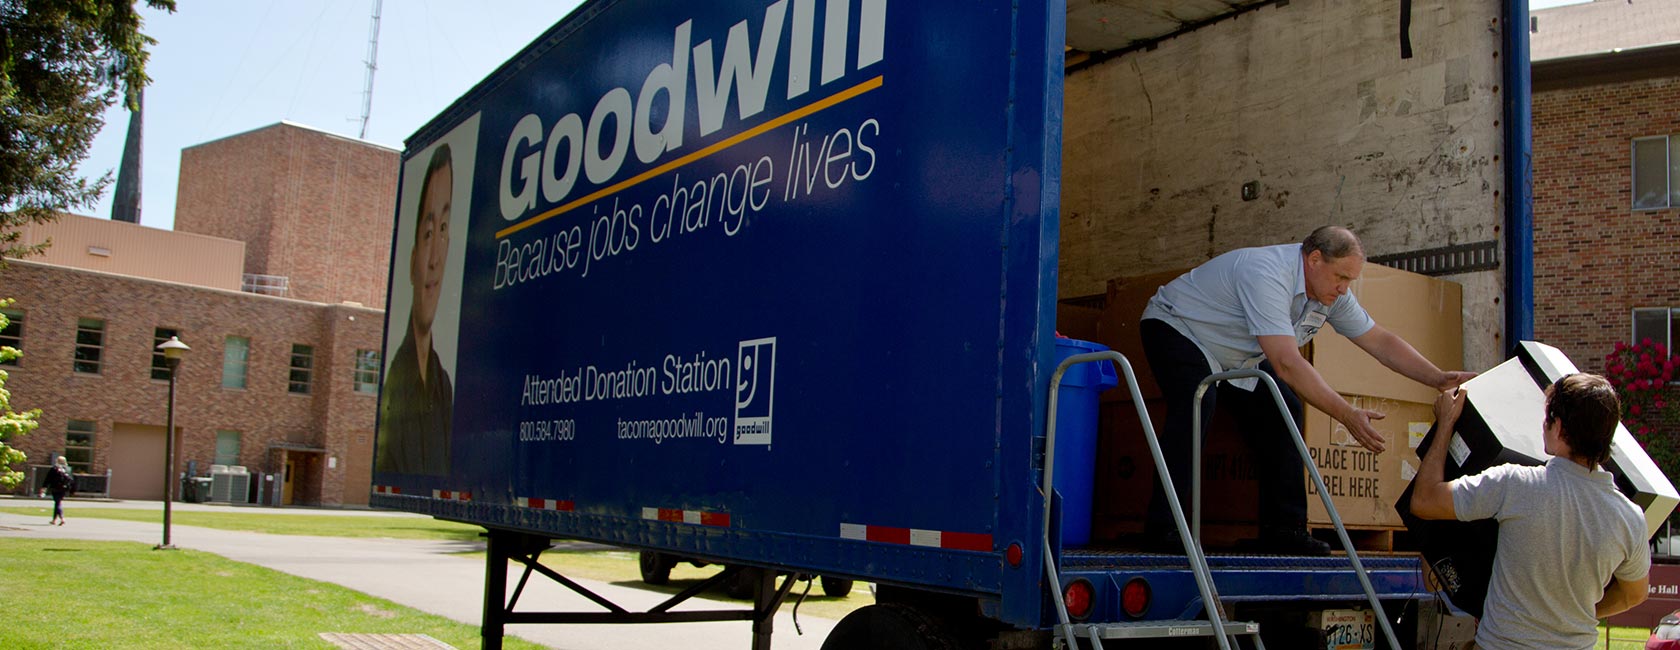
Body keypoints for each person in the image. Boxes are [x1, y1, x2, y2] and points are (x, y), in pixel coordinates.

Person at [1139, 226, 1476, 555]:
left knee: (1284, 409)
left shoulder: (1330, 294)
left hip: (1235, 351)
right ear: (1314, 259)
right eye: (1341, 278)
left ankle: (1284, 530)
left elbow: (1380, 341)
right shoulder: (1268, 274)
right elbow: (1286, 362)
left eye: (1350, 281)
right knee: (1198, 402)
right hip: (1178, 327)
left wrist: (1436, 377)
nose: (1344, 289)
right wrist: (1346, 414)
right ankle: (1164, 527)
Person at [1411, 376, 1649, 648]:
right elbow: (1634, 595)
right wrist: (1567, 617)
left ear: (1558, 428)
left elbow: (1424, 501)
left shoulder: (1517, 484)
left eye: (1547, 418)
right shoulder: (1629, 517)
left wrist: (1445, 422)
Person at [375, 144, 456, 476]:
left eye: (443, 229)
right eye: (426, 233)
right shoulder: (395, 390)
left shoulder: (444, 386)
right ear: (411, 262)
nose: (435, 259)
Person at [44, 456, 74, 525]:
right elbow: (72, 480)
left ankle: (62, 518)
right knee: (57, 502)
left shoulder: (54, 469)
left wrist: (44, 487)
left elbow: (48, 479)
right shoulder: (68, 469)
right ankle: (54, 520)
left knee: (57, 502)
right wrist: (72, 490)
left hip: (55, 487)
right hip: (64, 488)